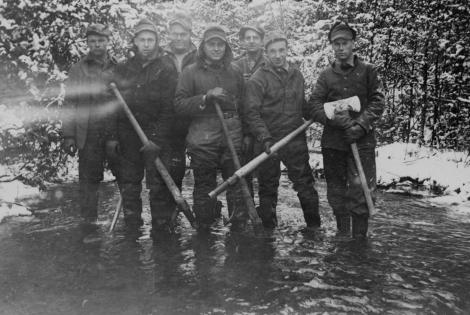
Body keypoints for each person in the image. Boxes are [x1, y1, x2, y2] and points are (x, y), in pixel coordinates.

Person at [309, 21, 385, 238]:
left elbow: (378, 101)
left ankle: (359, 243)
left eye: (344, 43)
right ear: (332, 46)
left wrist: (360, 125)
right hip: (333, 143)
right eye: (336, 44)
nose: (340, 48)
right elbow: (314, 105)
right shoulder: (326, 76)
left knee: (361, 192)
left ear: (353, 43)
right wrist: (333, 120)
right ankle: (343, 238)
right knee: (336, 193)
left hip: (362, 142)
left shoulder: (368, 71)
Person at [244, 31, 321, 231]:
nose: (278, 55)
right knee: (268, 187)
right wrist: (264, 137)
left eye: (282, 50)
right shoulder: (258, 79)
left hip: (294, 139)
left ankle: (314, 229)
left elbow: (301, 105)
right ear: (266, 53)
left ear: (287, 50)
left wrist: (319, 112)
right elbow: (251, 113)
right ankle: (268, 234)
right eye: (273, 51)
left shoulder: (296, 75)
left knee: (305, 185)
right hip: (268, 141)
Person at [174, 25, 247, 230]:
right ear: (203, 47)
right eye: (211, 44)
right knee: (205, 184)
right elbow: (179, 105)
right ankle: (204, 232)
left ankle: (237, 233)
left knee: (236, 183)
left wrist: (245, 134)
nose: (216, 49)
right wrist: (205, 97)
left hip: (232, 133)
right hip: (203, 136)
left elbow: (244, 104)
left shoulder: (235, 71)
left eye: (220, 44)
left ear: (226, 47)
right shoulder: (190, 72)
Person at [113, 18, 178, 231]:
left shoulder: (166, 68)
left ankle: (160, 233)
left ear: (157, 42)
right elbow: (116, 109)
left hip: (156, 137)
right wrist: (118, 136)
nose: (147, 44)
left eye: (151, 39)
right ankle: (132, 232)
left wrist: (156, 140)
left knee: (158, 187)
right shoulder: (124, 68)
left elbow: (170, 108)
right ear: (135, 42)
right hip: (130, 136)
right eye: (143, 39)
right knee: (130, 186)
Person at [62, 23, 118, 227]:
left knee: (126, 176)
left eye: (101, 41)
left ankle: (131, 225)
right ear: (87, 43)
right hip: (89, 132)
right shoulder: (78, 69)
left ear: (107, 42)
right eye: (92, 41)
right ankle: (89, 224)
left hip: (114, 132)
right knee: (89, 181)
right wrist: (68, 135)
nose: (97, 45)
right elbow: (69, 103)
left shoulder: (118, 66)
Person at [162, 12, 198, 207]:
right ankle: (174, 207)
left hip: (194, 119)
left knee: (202, 166)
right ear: (169, 34)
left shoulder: (199, 55)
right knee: (174, 166)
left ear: (190, 34)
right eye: (175, 33)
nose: (179, 38)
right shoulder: (161, 56)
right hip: (170, 121)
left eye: (183, 34)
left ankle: (207, 209)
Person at [233, 23, 268, 197]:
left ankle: (267, 216)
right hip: (242, 126)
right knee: (243, 169)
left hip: (264, 124)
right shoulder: (236, 66)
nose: (252, 41)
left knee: (266, 172)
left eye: (255, 38)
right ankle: (246, 212)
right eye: (248, 38)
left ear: (262, 41)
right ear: (242, 41)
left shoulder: (270, 64)